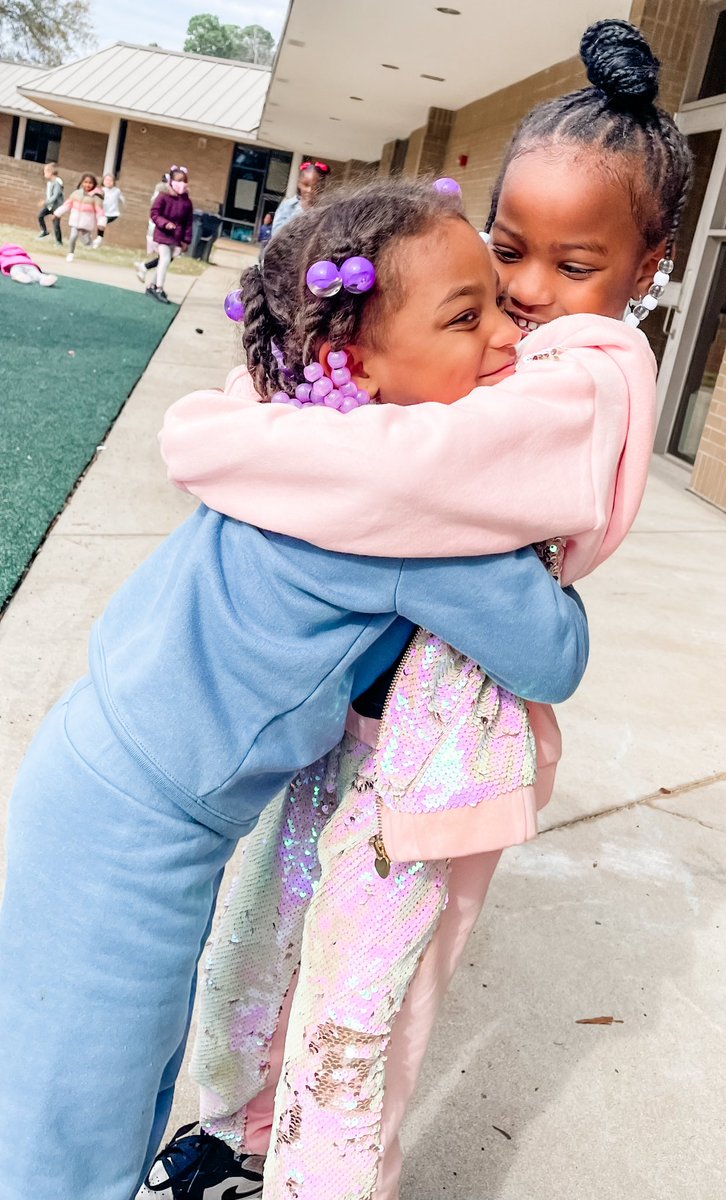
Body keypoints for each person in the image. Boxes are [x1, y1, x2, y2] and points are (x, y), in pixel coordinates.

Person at [150, 19, 692, 1200]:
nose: (531, 292)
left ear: (645, 269)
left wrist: (226, 433)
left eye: (576, 263)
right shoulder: (516, 344)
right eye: (510, 251)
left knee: (364, 1010)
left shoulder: (588, 379)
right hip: (353, 721)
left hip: (439, 762)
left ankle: (320, 1184)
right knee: (262, 939)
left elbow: (401, 467)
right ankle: (232, 1138)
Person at [0, 180, 594, 1200]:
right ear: (348, 361)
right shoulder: (413, 502)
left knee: (97, 1081)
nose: (510, 333)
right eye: (468, 315)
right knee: (71, 1128)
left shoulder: (299, 429)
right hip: (135, 826)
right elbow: (552, 654)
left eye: (500, 304)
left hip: (107, 773)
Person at [143, 165, 193, 304]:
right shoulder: (163, 196)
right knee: (164, 259)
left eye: (184, 180)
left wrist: (186, 240)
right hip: (163, 234)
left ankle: (152, 286)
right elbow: (154, 213)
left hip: (176, 237)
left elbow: (188, 222)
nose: (182, 184)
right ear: (171, 181)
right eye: (179, 180)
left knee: (165, 262)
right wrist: (165, 223)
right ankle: (159, 288)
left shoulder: (186, 202)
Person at [54, 172, 105, 263]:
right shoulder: (76, 194)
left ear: (94, 184)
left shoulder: (96, 197)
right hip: (75, 220)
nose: (88, 184)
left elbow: (99, 211)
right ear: (82, 182)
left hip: (86, 222)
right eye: (85, 182)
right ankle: (70, 253)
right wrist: (57, 213)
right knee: (73, 237)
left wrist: (101, 222)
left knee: (86, 242)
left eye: (90, 183)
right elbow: (67, 205)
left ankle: (91, 243)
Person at [269, 159, 330, 234]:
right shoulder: (288, 205)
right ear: (299, 184)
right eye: (306, 185)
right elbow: (275, 233)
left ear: (322, 188)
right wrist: (302, 210)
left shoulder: (324, 210)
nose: (310, 190)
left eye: (316, 187)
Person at [93, 173, 126, 246]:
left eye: (110, 180)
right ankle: (98, 239)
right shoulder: (101, 190)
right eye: (106, 180)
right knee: (100, 223)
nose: (108, 182)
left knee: (102, 222)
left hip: (113, 213)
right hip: (103, 212)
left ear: (114, 182)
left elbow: (122, 200)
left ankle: (99, 239)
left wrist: (123, 205)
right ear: (103, 181)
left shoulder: (117, 191)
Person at [36, 162, 63, 245]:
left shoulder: (57, 182)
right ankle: (45, 231)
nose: (44, 173)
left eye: (45, 171)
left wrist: (45, 202)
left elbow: (55, 196)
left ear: (50, 172)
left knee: (56, 224)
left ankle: (59, 242)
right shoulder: (50, 182)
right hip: (50, 206)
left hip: (57, 207)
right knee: (40, 216)